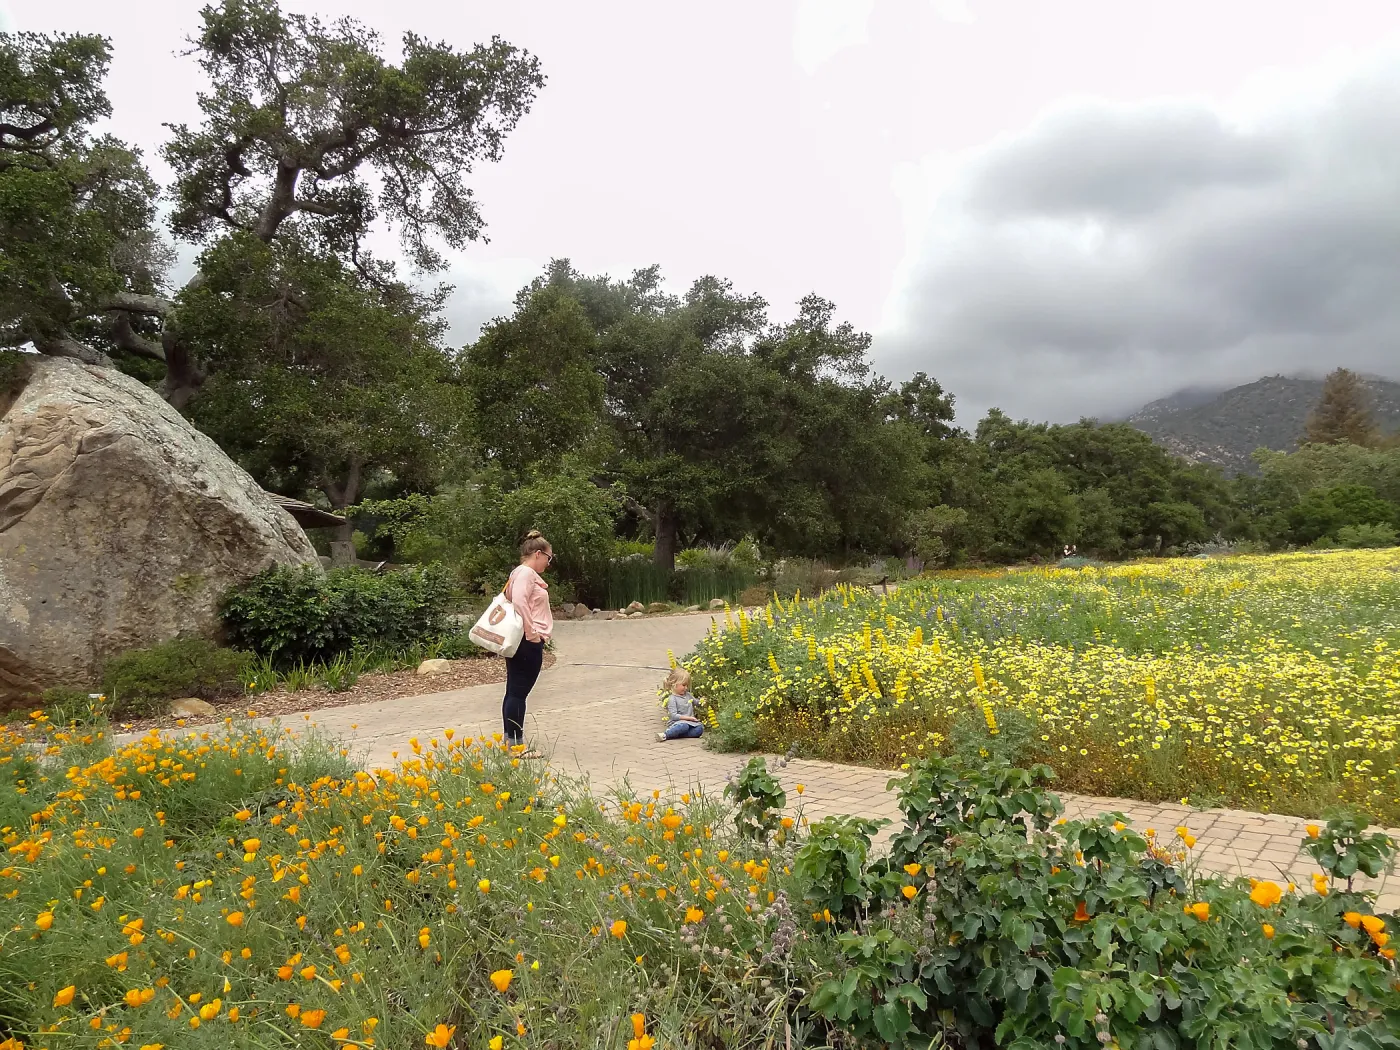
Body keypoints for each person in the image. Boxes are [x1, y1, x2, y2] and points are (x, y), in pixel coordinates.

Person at [503, 530, 553, 756]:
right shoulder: (526, 573)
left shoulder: (519, 573)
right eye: (549, 558)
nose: (548, 563)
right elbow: (520, 603)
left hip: (523, 638)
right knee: (518, 693)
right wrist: (532, 633)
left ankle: (510, 742)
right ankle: (516, 746)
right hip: (527, 640)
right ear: (538, 554)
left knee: (514, 691)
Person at [656, 668, 704, 742]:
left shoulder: (688, 695)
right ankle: (666, 735)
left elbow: (696, 702)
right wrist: (688, 718)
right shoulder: (672, 698)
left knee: (699, 729)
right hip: (677, 722)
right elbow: (673, 715)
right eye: (683, 685)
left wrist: (702, 701)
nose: (686, 688)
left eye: (687, 685)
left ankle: (677, 735)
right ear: (674, 684)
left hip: (690, 723)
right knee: (683, 726)